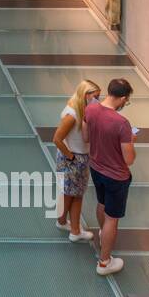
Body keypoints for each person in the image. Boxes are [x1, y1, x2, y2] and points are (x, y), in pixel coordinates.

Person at [85, 78, 137, 276]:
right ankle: (104, 262)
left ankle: (102, 233)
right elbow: (129, 159)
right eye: (127, 100)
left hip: (96, 168)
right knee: (112, 218)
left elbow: (85, 137)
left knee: (102, 203)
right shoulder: (122, 123)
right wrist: (131, 141)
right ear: (123, 98)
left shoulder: (91, 109)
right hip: (116, 176)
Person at [53, 79, 100, 242]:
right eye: (95, 96)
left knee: (72, 193)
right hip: (73, 157)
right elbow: (57, 138)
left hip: (76, 156)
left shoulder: (80, 110)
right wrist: (71, 157)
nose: (97, 100)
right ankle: (71, 228)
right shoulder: (72, 115)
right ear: (85, 94)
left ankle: (68, 225)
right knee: (73, 194)